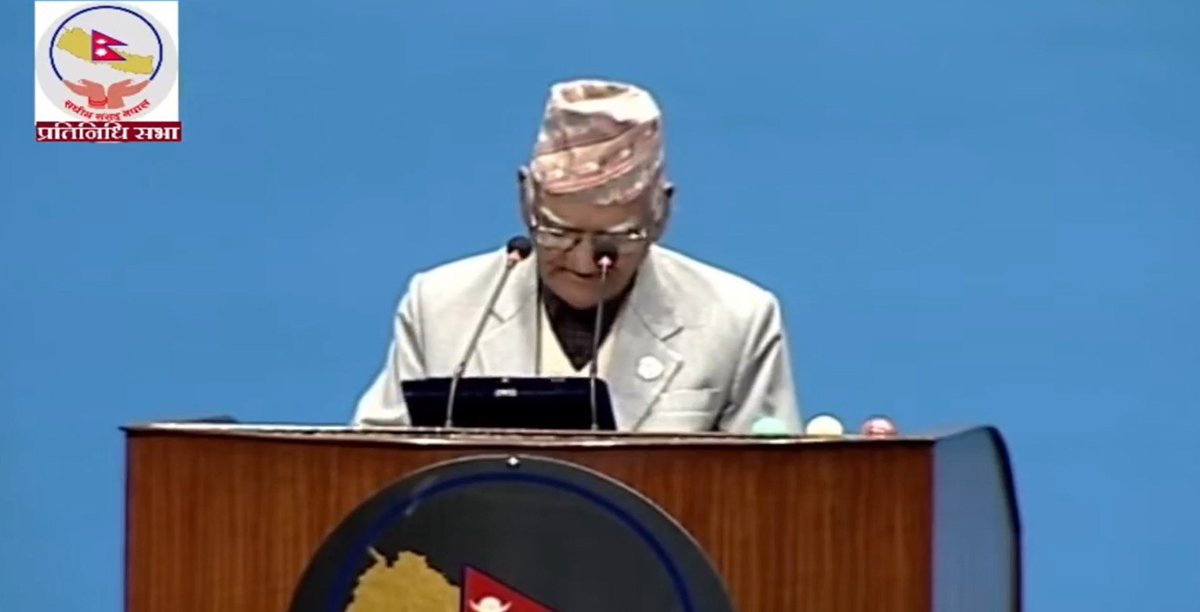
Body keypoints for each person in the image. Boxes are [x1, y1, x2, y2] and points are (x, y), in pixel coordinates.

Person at [354, 78, 802, 433]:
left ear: (662, 213)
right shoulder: (440, 308)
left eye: (616, 240)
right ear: (526, 200)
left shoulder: (737, 319)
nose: (585, 263)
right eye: (559, 233)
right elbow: (375, 466)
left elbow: (770, 490)